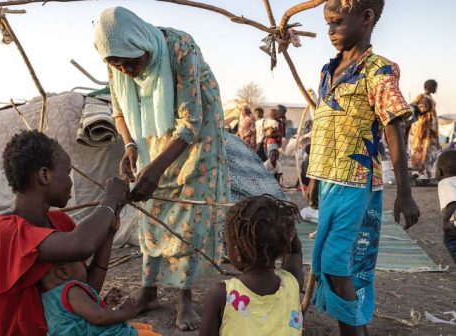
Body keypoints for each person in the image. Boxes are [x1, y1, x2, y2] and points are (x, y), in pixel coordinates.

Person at [94, 7, 232, 331]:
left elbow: (191, 122)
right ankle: (148, 292)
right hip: (152, 137)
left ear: (142, 43)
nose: (126, 70)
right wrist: (130, 147)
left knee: (187, 211)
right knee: (152, 209)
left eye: (131, 61)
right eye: (117, 64)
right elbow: (118, 110)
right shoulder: (115, 63)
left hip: (197, 136)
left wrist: (155, 170)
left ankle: (184, 298)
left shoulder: (180, 48)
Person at [305, 1, 420, 335]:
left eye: (337, 22)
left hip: (355, 182)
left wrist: (405, 194)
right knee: (329, 259)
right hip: (328, 180)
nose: (330, 32)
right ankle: (353, 326)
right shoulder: (329, 70)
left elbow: (393, 132)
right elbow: (325, 128)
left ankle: (353, 330)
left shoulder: (379, 71)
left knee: (336, 261)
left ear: (367, 18)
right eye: (327, 24)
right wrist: (313, 178)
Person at [0, 130, 130, 336]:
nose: (70, 181)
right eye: (67, 173)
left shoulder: (60, 222)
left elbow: (84, 288)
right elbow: (82, 246)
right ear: (44, 175)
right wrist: (110, 198)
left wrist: (109, 234)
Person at [199, 195, 303, 336]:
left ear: (237, 251)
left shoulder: (221, 294)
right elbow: (295, 253)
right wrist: (285, 231)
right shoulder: (293, 282)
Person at [41, 260, 161, 336]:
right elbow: (99, 317)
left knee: (142, 327)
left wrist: (105, 303)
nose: (86, 266)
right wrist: (124, 312)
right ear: (63, 272)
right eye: (81, 262)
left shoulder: (49, 297)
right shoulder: (72, 290)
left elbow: (85, 316)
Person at [409, 81, 440, 177]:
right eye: (435, 87)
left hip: (428, 129)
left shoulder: (427, 98)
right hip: (423, 129)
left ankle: (425, 172)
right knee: (421, 150)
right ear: (430, 87)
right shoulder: (424, 98)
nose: (436, 89)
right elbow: (419, 109)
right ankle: (419, 172)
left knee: (428, 151)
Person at [435, 150, 456, 264]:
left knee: (450, 240)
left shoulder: (445, 183)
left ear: (440, 171)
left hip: (454, 224)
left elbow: (453, 201)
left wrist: (446, 221)